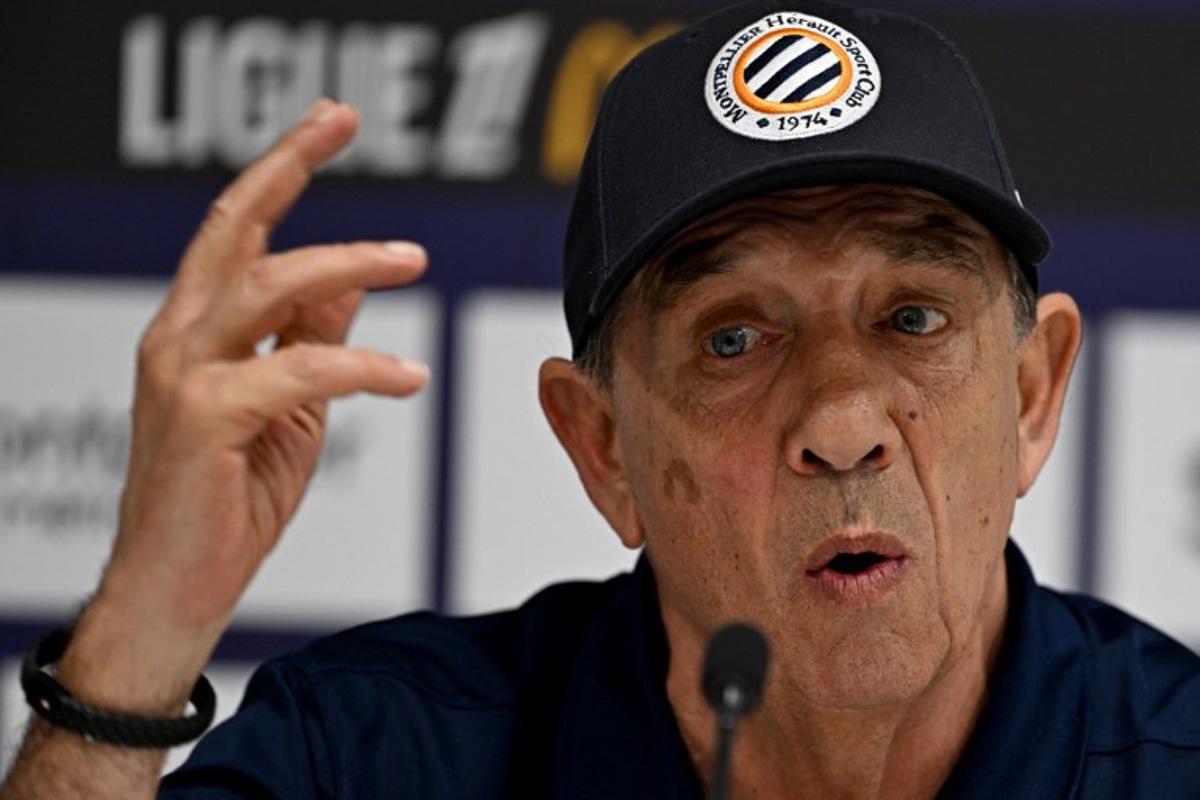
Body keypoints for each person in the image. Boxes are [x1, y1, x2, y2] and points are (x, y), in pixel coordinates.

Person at [3, 1, 1199, 797]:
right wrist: (140, 637)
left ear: (1035, 391)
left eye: (914, 319)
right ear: (602, 447)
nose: (843, 423)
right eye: (735, 337)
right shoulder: (372, 761)